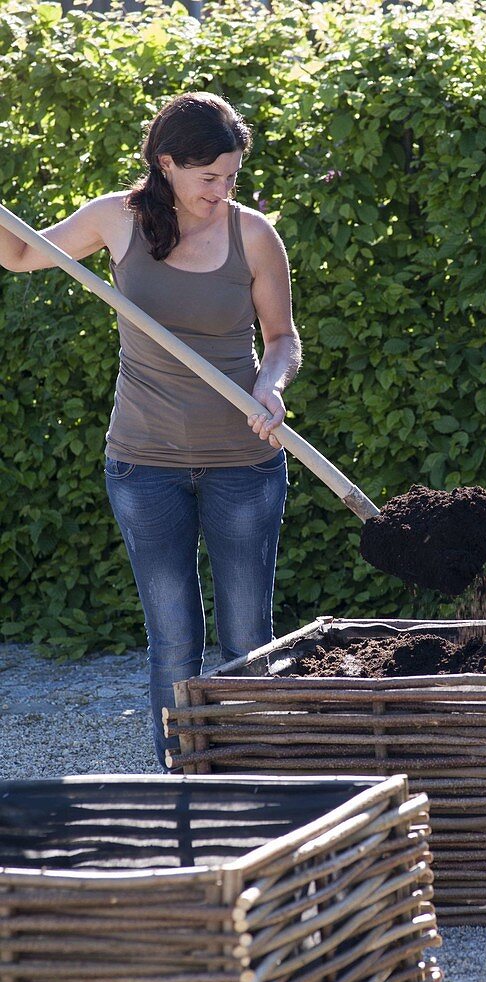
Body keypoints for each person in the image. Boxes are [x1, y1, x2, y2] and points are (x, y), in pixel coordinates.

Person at [0, 91, 301, 768]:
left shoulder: (251, 233)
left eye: (231, 176)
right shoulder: (116, 219)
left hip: (242, 462)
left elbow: (282, 338)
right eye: (208, 178)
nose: (222, 191)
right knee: (172, 637)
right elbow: (19, 255)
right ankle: (186, 775)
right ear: (166, 162)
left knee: (248, 634)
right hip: (143, 464)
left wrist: (271, 386)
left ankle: (255, 773)